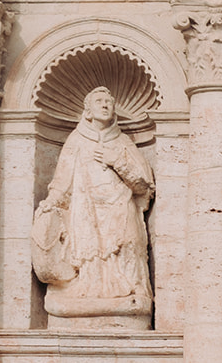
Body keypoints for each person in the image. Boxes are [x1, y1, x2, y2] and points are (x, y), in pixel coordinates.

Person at [32, 86, 154, 319]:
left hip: (120, 209)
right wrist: (51, 202)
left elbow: (143, 185)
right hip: (87, 210)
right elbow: (62, 181)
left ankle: (130, 291)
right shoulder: (76, 141)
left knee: (127, 246)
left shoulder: (123, 142)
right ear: (88, 111)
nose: (105, 104)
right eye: (99, 101)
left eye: (109, 101)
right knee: (91, 255)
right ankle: (93, 293)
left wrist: (117, 161)